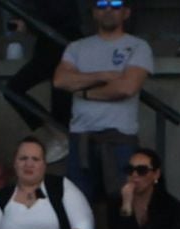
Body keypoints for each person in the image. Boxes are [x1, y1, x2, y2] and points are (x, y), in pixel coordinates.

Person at [53, 0, 154, 203]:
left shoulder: (138, 46)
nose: (108, 9)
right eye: (102, 4)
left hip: (120, 140)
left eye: (116, 4)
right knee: (77, 207)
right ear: (94, 12)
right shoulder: (77, 47)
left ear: (126, 12)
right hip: (81, 138)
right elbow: (60, 80)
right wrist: (105, 75)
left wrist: (85, 92)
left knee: (124, 207)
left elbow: (126, 88)